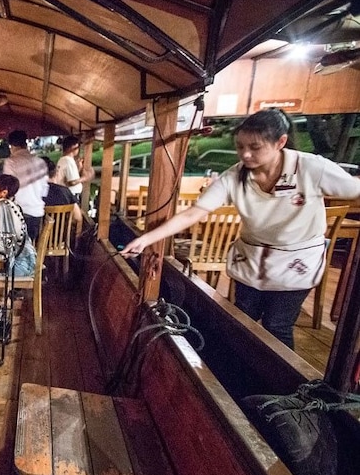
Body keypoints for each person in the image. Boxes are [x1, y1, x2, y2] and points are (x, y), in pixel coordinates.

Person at [121, 109, 360, 349]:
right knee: (243, 319)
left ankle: (282, 384)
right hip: (252, 260)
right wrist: (147, 239)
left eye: (255, 147)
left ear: (281, 142)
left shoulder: (311, 168)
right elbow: (195, 212)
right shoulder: (234, 176)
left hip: (296, 263)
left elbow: (354, 190)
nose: (245, 154)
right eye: (240, 147)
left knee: (278, 325)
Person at [0, 174, 37, 277]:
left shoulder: (2, 205)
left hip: (16, 266)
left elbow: (0, 239)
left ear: (4, 192)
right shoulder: (13, 204)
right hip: (27, 261)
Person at [2, 129, 48, 241]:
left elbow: (8, 189)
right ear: (25, 143)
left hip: (18, 215)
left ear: (11, 146)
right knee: (29, 246)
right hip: (37, 215)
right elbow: (44, 192)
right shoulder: (40, 162)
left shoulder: (11, 162)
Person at [43, 155, 83, 225]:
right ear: (56, 173)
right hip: (62, 235)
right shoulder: (65, 192)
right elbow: (78, 218)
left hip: (39, 235)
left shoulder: (33, 193)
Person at [56, 136, 93, 200]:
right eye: (78, 147)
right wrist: (85, 178)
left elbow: (70, 178)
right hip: (70, 196)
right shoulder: (68, 160)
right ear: (73, 147)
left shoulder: (63, 160)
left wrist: (79, 168)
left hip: (66, 195)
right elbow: (72, 182)